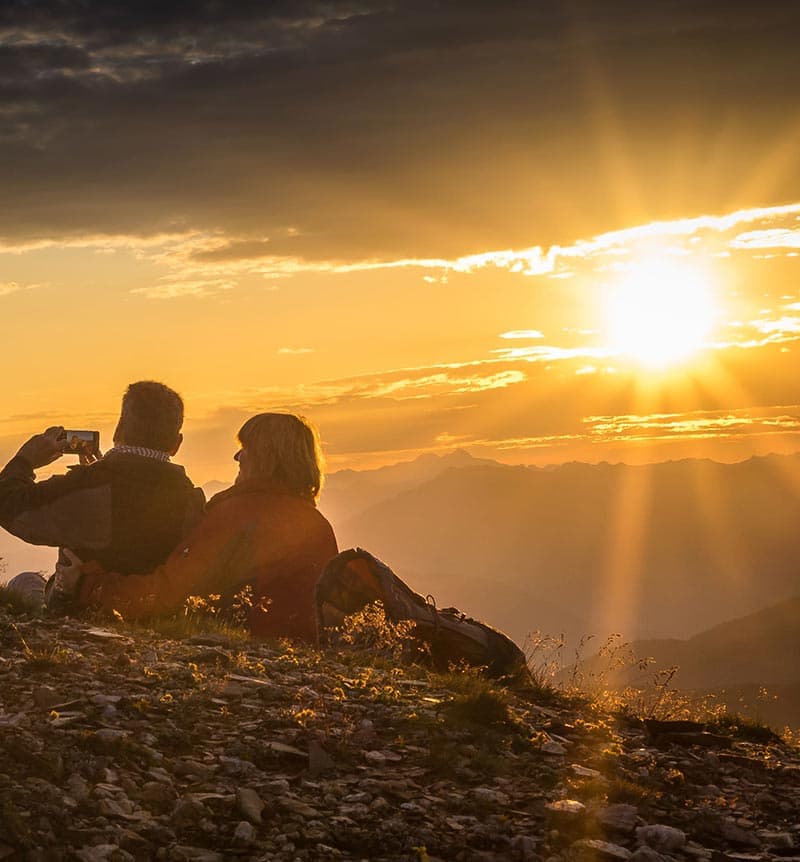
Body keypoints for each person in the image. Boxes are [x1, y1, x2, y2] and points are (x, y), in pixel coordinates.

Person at [63, 412, 338, 644]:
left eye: (246, 449)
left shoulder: (237, 514)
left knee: (28, 584)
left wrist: (90, 585)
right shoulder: (317, 525)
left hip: (238, 643)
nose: (237, 456)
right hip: (301, 647)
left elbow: (167, 592)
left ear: (265, 459)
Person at [0, 381, 205, 604]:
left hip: (82, 608)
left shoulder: (91, 485)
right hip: (150, 607)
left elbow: (10, 508)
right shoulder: (191, 499)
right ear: (177, 443)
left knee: (25, 581)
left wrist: (25, 460)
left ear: (118, 430)